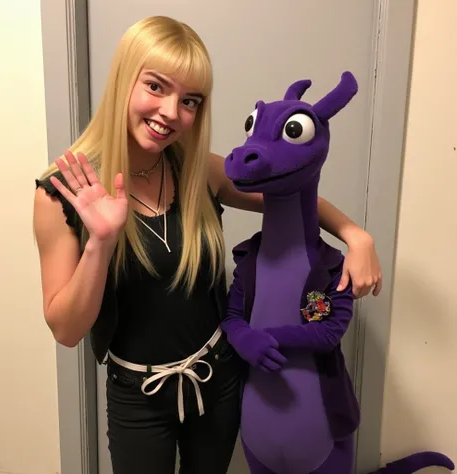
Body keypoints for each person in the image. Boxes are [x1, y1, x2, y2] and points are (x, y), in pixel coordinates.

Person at [33, 15, 382, 474]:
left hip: (216, 380)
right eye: (156, 87)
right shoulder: (61, 192)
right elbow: (66, 330)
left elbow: (290, 195)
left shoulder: (198, 170)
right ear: (123, 80)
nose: (171, 113)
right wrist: (100, 242)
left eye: (190, 100)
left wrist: (357, 235)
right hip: (139, 395)